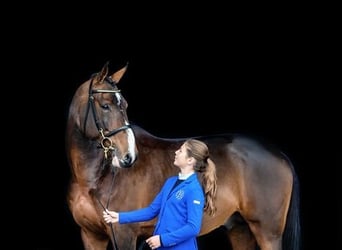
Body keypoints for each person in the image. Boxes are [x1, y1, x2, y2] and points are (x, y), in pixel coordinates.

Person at [103, 138, 217, 250]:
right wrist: (119, 217)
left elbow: (193, 228)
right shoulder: (170, 182)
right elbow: (151, 211)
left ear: (190, 160)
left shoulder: (194, 190)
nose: (176, 152)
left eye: (181, 150)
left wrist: (162, 240)